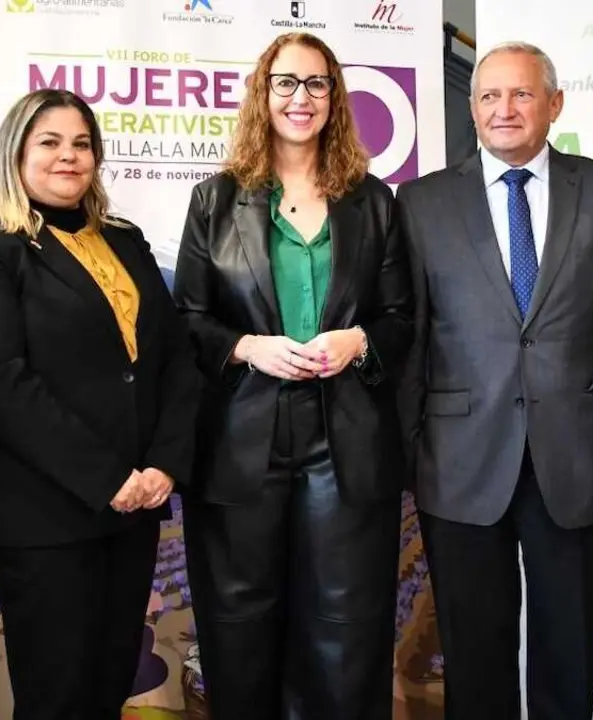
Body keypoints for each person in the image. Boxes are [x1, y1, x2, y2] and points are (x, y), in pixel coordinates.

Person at [395, 41, 593, 720]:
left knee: (570, 651)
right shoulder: (418, 203)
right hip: (459, 459)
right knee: (475, 657)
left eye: (522, 94)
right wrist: (407, 451)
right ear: (471, 109)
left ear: (554, 103)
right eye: (488, 96)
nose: (504, 109)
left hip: (580, 457)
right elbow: (409, 339)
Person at [171, 32, 413, 720]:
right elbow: (187, 319)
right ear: (262, 92)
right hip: (242, 441)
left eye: (315, 84)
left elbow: (401, 317)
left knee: (346, 628)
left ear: (334, 97)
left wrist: (359, 340)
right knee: (240, 626)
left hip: (347, 440)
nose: (300, 98)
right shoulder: (215, 201)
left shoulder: (372, 202)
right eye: (286, 82)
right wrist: (248, 347)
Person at [0, 88, 200, 720]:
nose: (69, 157)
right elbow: (3, 383)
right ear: (16, 153)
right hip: (45, 517)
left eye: (81, 144)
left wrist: (165, 465)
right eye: (50, 142)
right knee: (56, 696)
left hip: (135, 508)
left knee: (110, 684)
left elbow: (175, 358)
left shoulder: (123, 237)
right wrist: (107, 477)